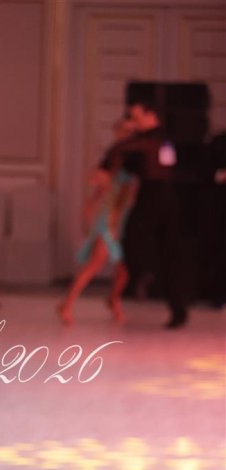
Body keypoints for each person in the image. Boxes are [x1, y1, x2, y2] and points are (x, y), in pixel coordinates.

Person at [100, 100, 189, 329]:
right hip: (161, 197)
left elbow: (122, 153)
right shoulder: (148, 140)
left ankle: (150, 277)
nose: (134, 121)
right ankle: (173, 305)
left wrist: (116, 153)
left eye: (136, 116)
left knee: (138, 242)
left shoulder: (152, 139)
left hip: (157, 197)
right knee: (159, 250)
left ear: (151, 116)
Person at [57, 118, 138, 325]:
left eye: (132, 131)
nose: (128, 135)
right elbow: (98, 182)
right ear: (117, 133)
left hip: (127, 216)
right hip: (109, 217)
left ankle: (113, 299)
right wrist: (91, 205)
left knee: (125, 266)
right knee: (96, 262)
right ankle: (67, 303)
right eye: (124, 131)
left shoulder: (136, 158)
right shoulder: (112, 158)